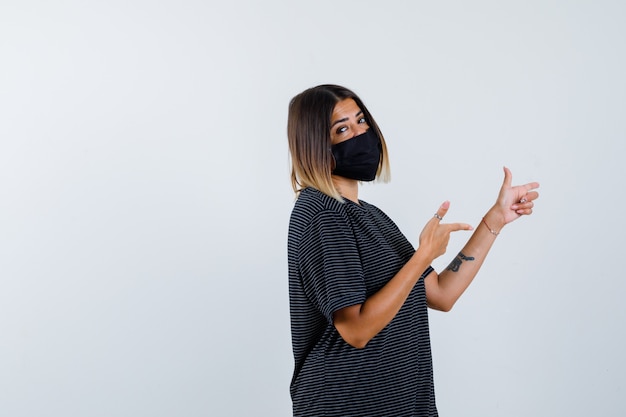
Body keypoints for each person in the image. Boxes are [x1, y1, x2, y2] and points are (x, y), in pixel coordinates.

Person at [286, 84, 539, 417]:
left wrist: (494, 220)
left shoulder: (370, 216)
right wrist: (422, 255)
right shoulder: (322, 215)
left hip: (402, 403)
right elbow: (356, 330)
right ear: (315, 144)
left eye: (362, 121)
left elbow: (440, 294)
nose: (361, 133)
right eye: (342, 128)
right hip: (347, 405)